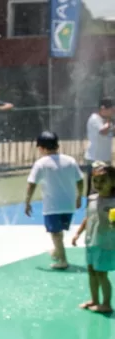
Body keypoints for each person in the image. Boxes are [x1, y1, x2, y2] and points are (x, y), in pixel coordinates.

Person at [24, 131, 84, 269]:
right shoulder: (70, 160)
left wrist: (27, 202)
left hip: (52, 206)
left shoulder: (41, 163)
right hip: (69, 205)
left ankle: (62, 260)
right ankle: (57, 252)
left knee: (55, 234)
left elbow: (31, 184)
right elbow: (80, 180)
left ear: (41, 148)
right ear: (57, 145)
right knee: (59, 232)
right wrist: (79, 196)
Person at [72, 163, 115, 314]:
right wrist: (78, 233)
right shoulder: (92, 199)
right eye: (95, 181)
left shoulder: (113, 202)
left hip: (106, 243)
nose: (98, 184)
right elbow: (88, 217)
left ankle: (106, 303)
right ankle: (94, 300)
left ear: (113, 182)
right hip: (91, 241)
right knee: (91, 271)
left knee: (101, 273)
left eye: (103, 181)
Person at [83, 98, 115, 197]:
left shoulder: (108, 121)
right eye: (111, 109)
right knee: (94, 187)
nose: (113, 112)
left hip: (106, 159)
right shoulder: (94, 118)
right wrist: (109, 119)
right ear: (103, 108)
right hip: (95, 159)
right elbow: (103, 131)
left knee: (107, 187)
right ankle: (87, 205)